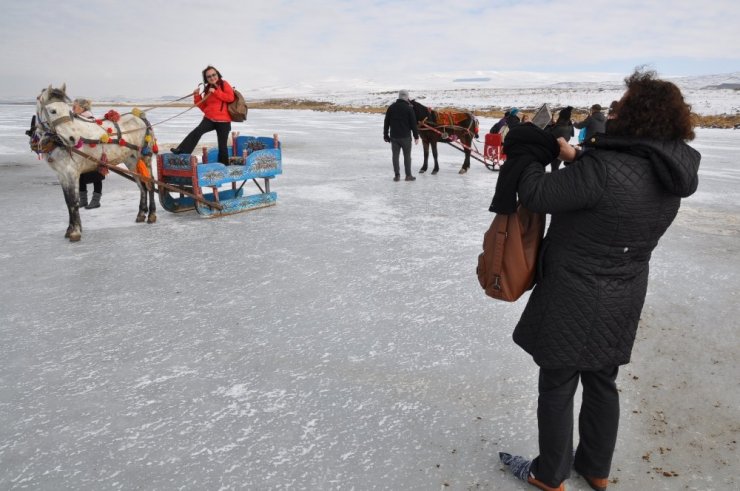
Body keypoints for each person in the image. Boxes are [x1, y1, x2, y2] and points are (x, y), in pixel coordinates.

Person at [496, 69, 700, 491]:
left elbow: (535, 194)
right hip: (624, 290)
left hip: (574, 290)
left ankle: (548, 473)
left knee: (557, 382)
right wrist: (579, 158)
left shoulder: (604, 169)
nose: (616, 109)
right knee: (603, 380)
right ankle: (595, 468)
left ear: (638, 115)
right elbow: (622, 179)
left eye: (624, 104)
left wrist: (527, 156)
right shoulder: (670, 166)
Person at [171, 65, 235, 164]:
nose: (212, 77)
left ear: (217, 74)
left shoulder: (224, 84)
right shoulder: (207, 88)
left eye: (214, 74)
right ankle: (182, 151)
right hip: (209, 119)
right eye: (209, 76)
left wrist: (216, 92)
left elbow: (230, 98)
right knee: (196, 132)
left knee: (222, 146)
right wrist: (197, 96)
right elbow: (204, 107)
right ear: (206, 78)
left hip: (224, 120)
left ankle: (223, 167)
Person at [73, 98, 104, 209]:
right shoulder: (77, 118)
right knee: (81, 175)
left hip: (93, 152)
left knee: (96, 177)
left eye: (74, 107)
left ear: (82, 108)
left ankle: (96, 201)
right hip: (83, 152)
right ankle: (83, 200)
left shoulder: (89, 118)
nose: (72, 109)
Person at [383, 89, 419, 181]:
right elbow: (413, 124)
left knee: (395, 156)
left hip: (394, 137)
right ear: (407, 97)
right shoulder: (409, 108)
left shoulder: (391, 107)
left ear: (399, 96)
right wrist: (416, 136)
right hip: (406, 137)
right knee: (407, 156)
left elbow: (386, 122)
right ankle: (408, 176)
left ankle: (397, 175)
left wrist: (385, 135)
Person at [543, 106, 574, 171]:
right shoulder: (569, 126)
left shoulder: (559, 127)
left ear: (561, 116)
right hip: (563, 149)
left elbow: (547, 134)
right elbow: (571, 133)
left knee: (554, 168)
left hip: (555, 151)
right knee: (555, 168)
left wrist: (549, 125)